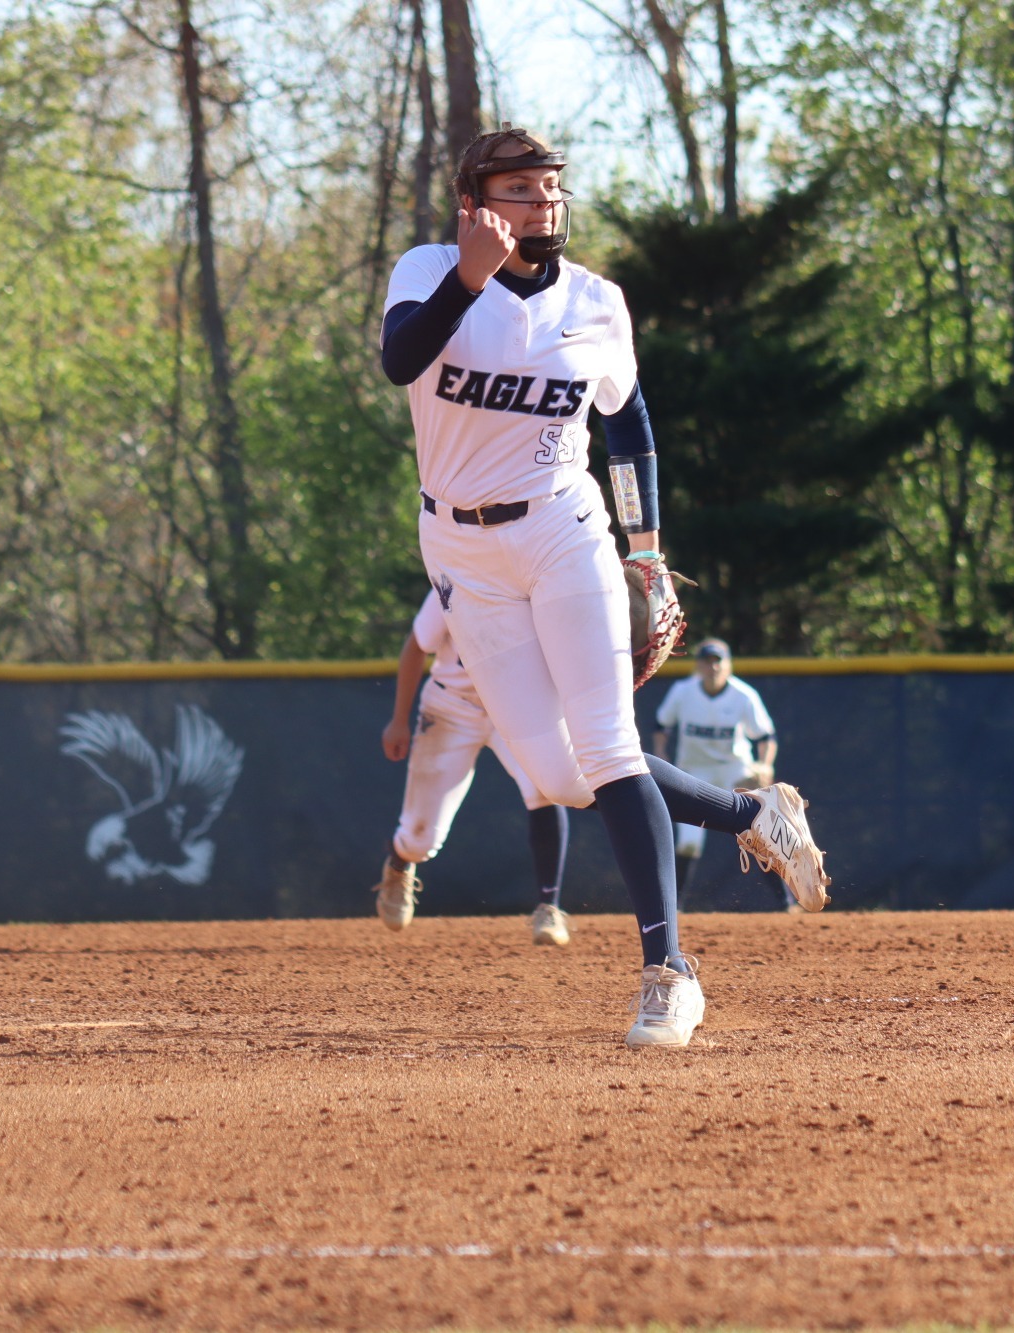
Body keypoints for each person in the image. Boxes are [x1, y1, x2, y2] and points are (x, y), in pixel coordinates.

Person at [379, 124, 830, 1047]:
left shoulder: (595, 302)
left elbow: (628, 422)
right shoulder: (427, 270)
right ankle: (757, 813)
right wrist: (468, 277)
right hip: (460, 551)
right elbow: (400, 360)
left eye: (549, 187)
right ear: (472, 203)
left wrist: (648, 548)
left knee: (608, 741)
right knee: (556, 775)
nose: (541, 203)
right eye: (518, 189)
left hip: (561, 524)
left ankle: (669, 971)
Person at [374, 588, 573, 947]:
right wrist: (399, 720)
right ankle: (401, 861)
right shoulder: (455, 576)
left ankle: (549, 906)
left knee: (548, 787)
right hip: (453, 705)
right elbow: (417, 645)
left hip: (517, 703)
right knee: (421, 839)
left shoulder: (536, 578)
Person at [653, 639, 795, 910]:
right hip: (693, 773)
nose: (713, 666)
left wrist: (765, 765)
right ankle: (674, 907)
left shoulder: (743, 695)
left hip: (734, 772)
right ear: (698, 665)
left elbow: (767, 736)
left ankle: (785, 902)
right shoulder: (683, 692)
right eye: (707, 660)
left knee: (758, 835)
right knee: (688, 844)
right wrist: (661, 752)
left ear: (728, 665)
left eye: (719, 660)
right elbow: (661, 724)